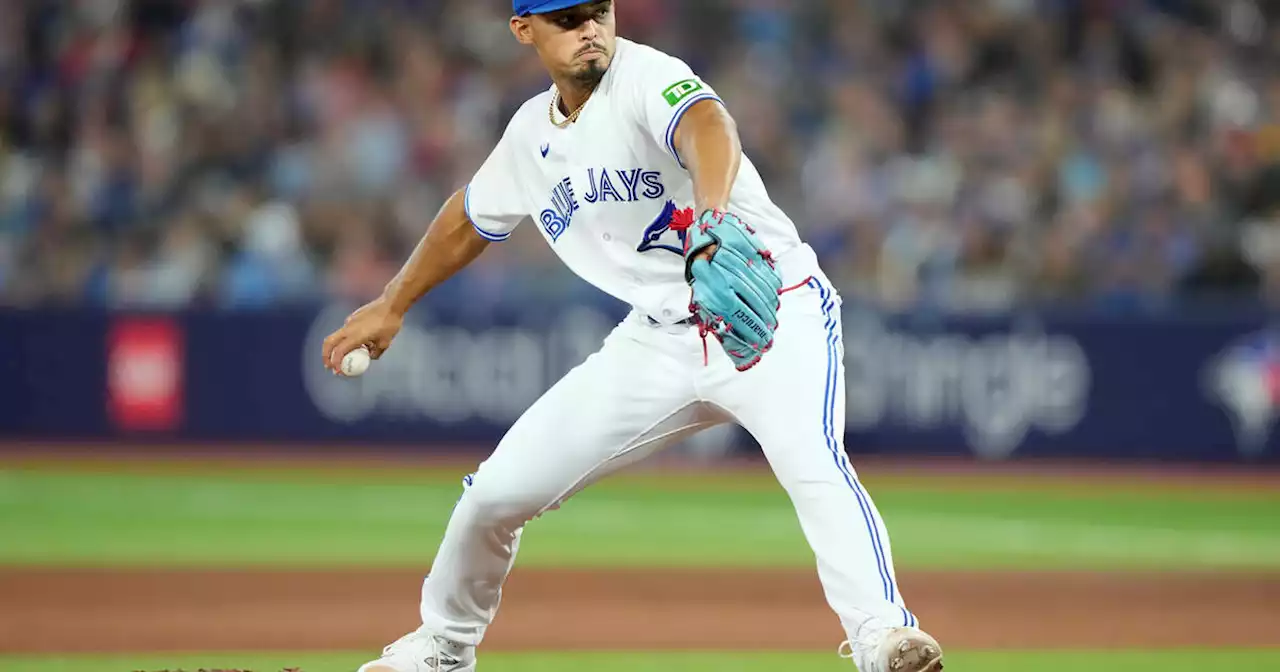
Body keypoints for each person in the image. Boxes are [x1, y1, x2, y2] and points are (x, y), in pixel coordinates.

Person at [321, 1, 944, 670]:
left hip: (769, 312)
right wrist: (393, 301)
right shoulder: (530, 136)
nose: (589, 28)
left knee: (813, 464)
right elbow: (470, 218)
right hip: (657, 339)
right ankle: (444, 644)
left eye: (598, 11)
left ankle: (884, 634)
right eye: (566, 18)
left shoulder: (647, 78)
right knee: (496, 494)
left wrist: (708, 218)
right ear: (524, 31)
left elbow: (708, 125)